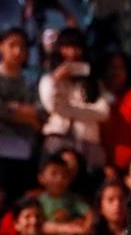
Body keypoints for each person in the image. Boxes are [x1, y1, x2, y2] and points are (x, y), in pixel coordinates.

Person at [0, 26, 41, 198]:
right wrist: (29, 120)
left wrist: (15, 108)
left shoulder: (31, 77)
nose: (18, 51)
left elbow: (41, 109)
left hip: (27, 147)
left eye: (22, 46)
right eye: (12, 45)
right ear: (0, 46)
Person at [38, 27, 109, 172]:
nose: (72, 53)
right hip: (58, 139)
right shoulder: (48, 80)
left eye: (77, 47)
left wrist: (67, 110)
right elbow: (51, 106)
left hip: (88, 141)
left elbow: (104, 112)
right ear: (59, 50)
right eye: (67, 47)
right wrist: (56, 80)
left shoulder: (94, 83)